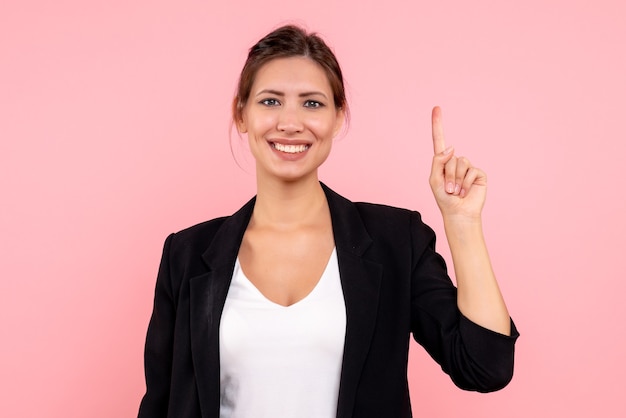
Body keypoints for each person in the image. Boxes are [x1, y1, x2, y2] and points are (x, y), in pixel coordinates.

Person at [138, 24, 519, 418]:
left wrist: (462, 222)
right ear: (242, 114)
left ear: (338, 118)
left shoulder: (395, 242)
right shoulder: (186, 254)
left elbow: (485, 366)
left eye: (312, 103)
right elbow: (160, 403)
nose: (289, 122)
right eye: (270, 101)